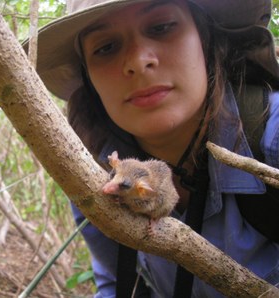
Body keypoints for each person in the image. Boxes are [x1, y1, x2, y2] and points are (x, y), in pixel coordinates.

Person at [25, 0, 279, 297]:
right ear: (89, 78)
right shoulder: (92, 175)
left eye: (161, 27)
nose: (138, 61)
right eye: (106, 47)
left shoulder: (270, 139)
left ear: (205, 38)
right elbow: (118, 283)